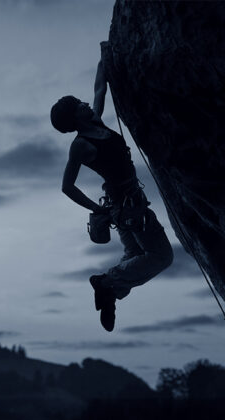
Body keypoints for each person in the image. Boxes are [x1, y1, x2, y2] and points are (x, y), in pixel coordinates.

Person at [50, 58, 173, 332]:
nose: (84, 103)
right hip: (128, 208)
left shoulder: (96, 122)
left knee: (134, 253)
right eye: (78, 105)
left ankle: (110, 294)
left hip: (126, 205)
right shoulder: (81, 145)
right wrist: (98, 209)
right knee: (162, 256)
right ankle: (105, 282)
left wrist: (103, 57)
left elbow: (98, 90)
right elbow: (67, 186)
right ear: (74, 118)